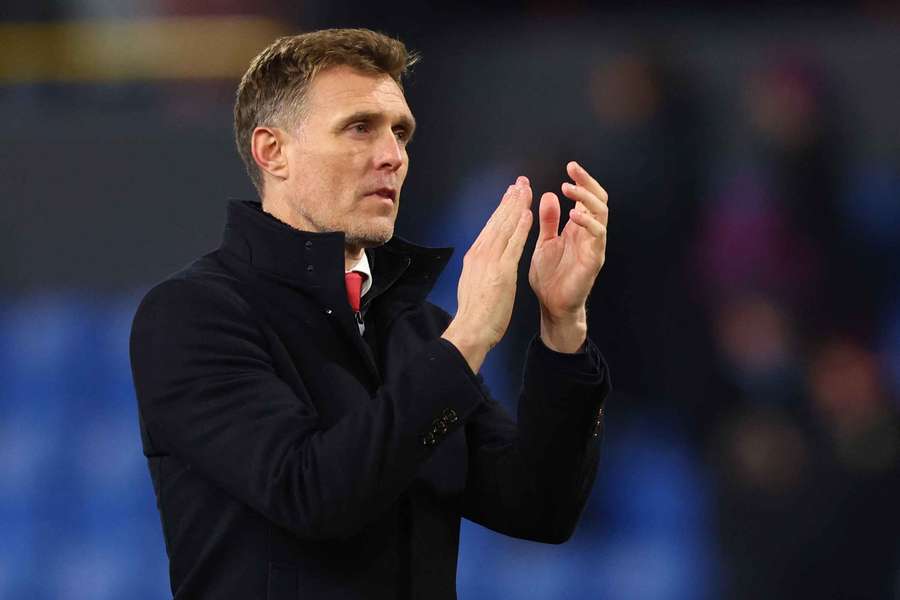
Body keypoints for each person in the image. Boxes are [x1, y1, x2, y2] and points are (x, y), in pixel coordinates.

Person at [129, 28, 612, 600]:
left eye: (400, 132)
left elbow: (539, 508)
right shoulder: (191, 316)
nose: (393, 156)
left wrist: (561, 326)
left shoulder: (418, 329)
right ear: (272, 151)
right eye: (360, 127)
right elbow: (311, 494)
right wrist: (468, 339)